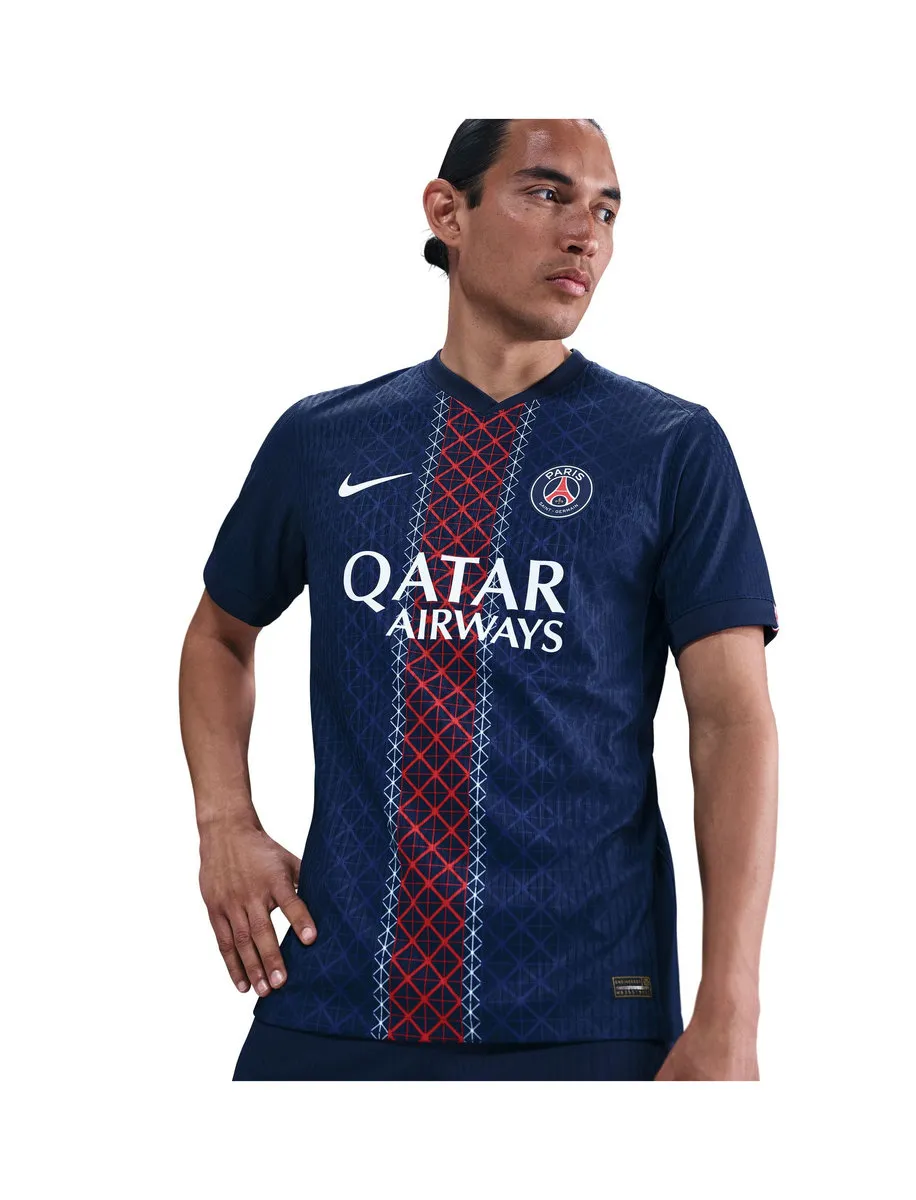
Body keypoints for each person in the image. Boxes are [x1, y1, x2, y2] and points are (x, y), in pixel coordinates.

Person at [179, 118, 780, 1081]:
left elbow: (732, 723)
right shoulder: (326, 438)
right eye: (547, 193)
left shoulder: (670, 447)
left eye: (607, 211)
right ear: (446, 212)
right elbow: (219, 634)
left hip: (592, 1007)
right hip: (338, 993)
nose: (585, 235)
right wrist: (224, 824)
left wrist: (731, 1008)